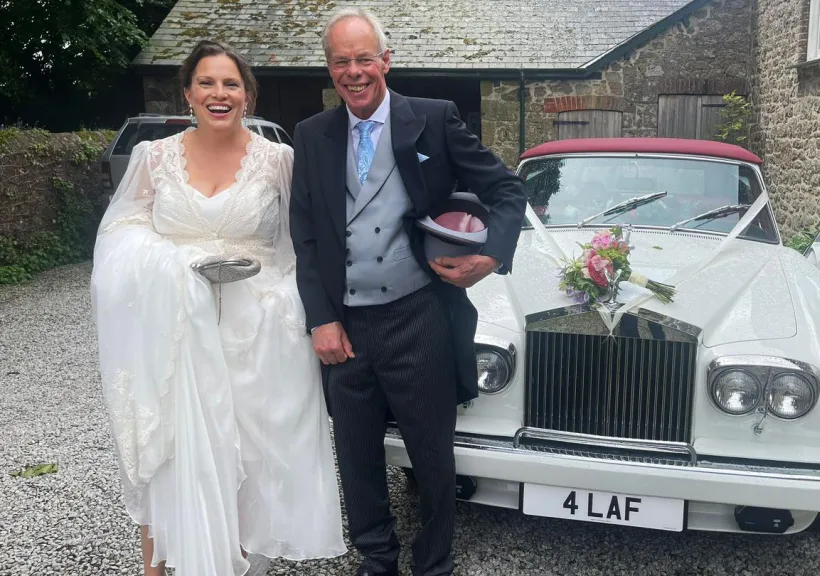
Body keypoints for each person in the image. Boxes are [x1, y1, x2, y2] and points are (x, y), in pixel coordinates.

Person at [90, 40, 347, 576]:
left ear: (247, 95)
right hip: (176, 331)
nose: (219, 93)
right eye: (206, 82)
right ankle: (157, 568)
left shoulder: (279, 160)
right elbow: (120, 231)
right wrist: (173, 268)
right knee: (172, 447)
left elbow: (306, 242)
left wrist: (284, 302)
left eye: (231, 83)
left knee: (251, 460)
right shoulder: (152, 157)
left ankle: (236, 564)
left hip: (258, 335)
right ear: (188, 93)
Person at [288, 7, 527, 576]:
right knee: (356, 453)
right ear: (330, 68)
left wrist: (491, 256)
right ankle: (375, 557)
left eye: (363, 59)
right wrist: (320, 319)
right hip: (345, 325)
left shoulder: (434, 118)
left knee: (432, 454)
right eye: (341, 62)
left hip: (418, 312)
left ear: (385, 61)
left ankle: (435, 562)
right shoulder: (311, 135)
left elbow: (506, 189)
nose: (354, 72)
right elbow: (306, 234)